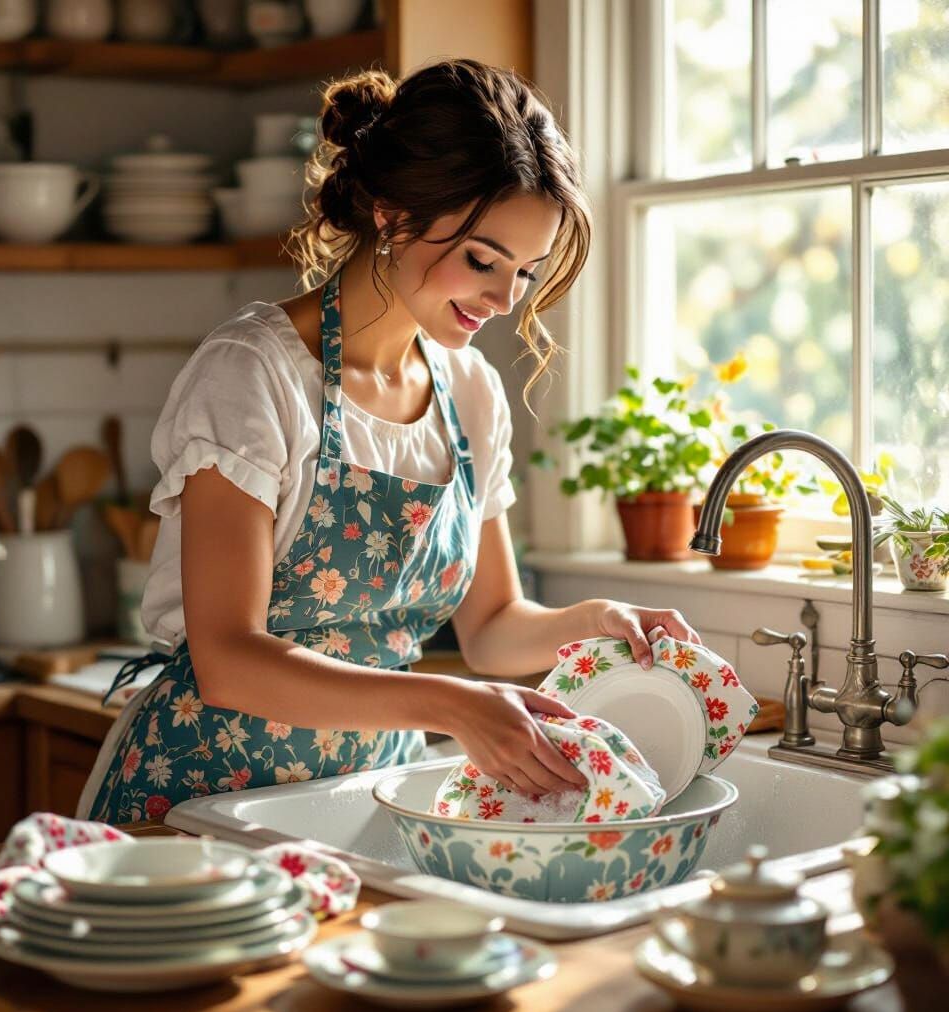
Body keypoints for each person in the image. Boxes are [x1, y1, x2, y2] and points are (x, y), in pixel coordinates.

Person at [77, 58, 701, 825]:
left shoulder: (470, 392)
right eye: (483, 260)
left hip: (360, 801)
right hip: (198, 803)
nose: (505, 301)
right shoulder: (253, 374)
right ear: (391, 213)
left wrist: (596, 618)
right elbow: (227, 660)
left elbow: (493, 629)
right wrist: (452, 705)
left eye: (527, 273)